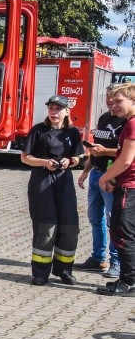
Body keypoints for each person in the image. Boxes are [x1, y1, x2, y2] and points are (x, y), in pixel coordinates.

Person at [20, 95, 82, 286]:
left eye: (58, 109)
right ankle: (40, 273)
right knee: (46, 228)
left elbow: (78, 157)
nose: (54, 112)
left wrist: (70, 161)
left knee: (69, 226)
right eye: (51, 108)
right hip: (42, 181)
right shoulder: (38, 130)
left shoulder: (72, 132)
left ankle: (64, 270)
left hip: (64, 182)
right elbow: (25, 157)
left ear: (66, 111)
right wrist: (45, 163)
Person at [76, 87, 124, 278]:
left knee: (114, 221)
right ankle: (98, 258)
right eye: (108, 98)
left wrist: (105, 151)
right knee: (95, 218)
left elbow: (127, 152)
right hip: (96, 173)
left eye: (115, 99)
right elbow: (95, 150)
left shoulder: (127, 121)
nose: (111, 102)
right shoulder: (104, 118)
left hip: (112, 176)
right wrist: (85, 171)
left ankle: (116, 262)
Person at [97, 83, 135, 296]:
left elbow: (126, 160)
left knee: (123, 233)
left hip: (129, 188)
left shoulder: (131, 124)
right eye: (113, 100)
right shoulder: (128, 123)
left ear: (133, 100)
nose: (115, 104)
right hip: (126, 184)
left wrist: (105, 177)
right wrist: (114, 178)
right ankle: (128, 278)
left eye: (119, 100)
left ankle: (128, 281)